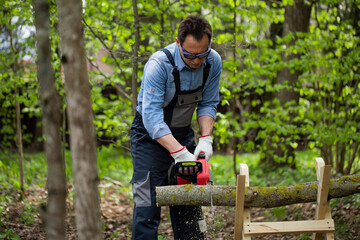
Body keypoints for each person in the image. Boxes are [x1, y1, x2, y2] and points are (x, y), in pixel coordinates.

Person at [130, 15, 222, 240]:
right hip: (148, 139)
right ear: (178, 42)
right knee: (146, 205)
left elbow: (208, 103)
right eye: (190, 55)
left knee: (189, 205)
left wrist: (206, 138)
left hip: (183, 133)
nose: (197, 61)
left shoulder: (213, 61)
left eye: (202, 54)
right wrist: (179, 153)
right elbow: (151, 118)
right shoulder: (159, 65)